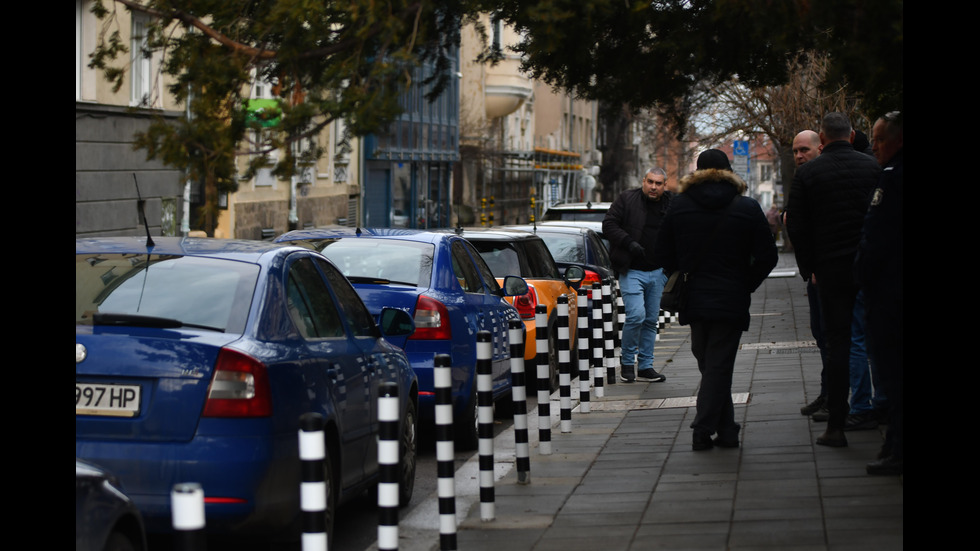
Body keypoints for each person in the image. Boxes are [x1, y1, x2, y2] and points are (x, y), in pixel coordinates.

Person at [652, 150, 777, 450]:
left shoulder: (680, 205)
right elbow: (768, 255)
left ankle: (721, 428)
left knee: (710, 362)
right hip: (731, 297)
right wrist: (746, 283)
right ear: (729, 171)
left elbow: (662, 253)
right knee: (717, 365)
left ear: (697, 172)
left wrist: (682, 271)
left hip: (694, 295)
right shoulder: (746, 206)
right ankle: (710, 427)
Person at [785, 112, 880, 448]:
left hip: (831, 269)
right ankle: (880, 411)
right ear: (852, 136)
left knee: (837, 343)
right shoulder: (873, 168)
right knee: (878, 340)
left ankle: (836, 424)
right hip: (871, 267)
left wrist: (810, 266)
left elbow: (795, 223)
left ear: (822, 140)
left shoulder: (809, 173)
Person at [856, 111, 903, 475]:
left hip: (890, 294)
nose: (874, 147)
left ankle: (896, 450)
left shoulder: (891, 179)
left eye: (880, 139)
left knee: (892, 371)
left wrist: (863, 276)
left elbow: (877, 238)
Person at [603, 167, 672, 383]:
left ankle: (645, 366)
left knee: (651, 320)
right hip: (631, 270)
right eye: (650, 182)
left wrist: (669, 270)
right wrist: (629, 243)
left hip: (658, 272)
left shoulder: (671, 203)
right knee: (636, 316)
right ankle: (626, 362)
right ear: (643, 181)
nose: (653, 187)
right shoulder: (627, 199)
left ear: (664, 185)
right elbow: (608, 224)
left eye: (658, 183)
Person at [790, 130, 830, 419]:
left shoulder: (820, 178)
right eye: (795, 151)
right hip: (815, 273)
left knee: (835, 338)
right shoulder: (802, 178)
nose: (799, 156)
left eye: (804, 150)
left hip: (828, 272)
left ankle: (838, 399)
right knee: (822, 336)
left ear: (820, 147)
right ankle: (828, 392)